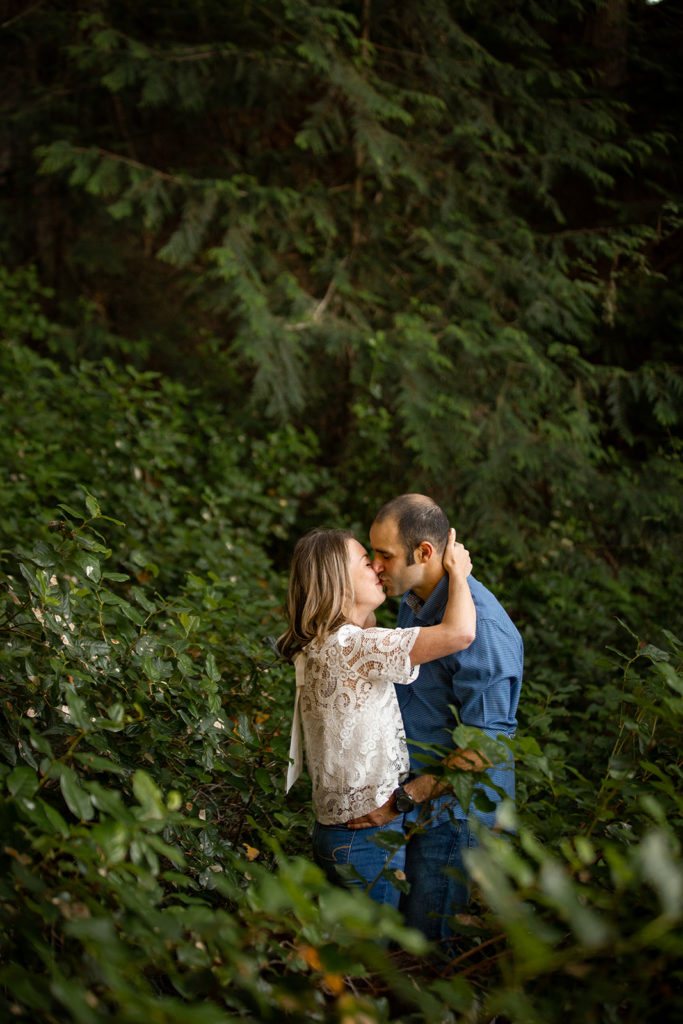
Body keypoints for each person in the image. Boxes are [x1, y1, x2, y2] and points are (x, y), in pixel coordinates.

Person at [348, 494, 523, 951]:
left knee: (432, 949)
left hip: (456, 811)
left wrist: (405, 799)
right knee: (402, 941)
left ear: (425, 553)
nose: (376, 565)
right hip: (416, 796)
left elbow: (490, 747)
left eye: (384, 555)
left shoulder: (485, 629)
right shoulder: (415, 598)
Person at [279, 526, 476, 908]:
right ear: (338, 582)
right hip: (363, 840)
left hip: (337, 835)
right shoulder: (356, 646)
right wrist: (458, 574)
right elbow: (460, 634)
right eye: (368, 563)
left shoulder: (324, 645)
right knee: (369, 961)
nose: (379, 571)